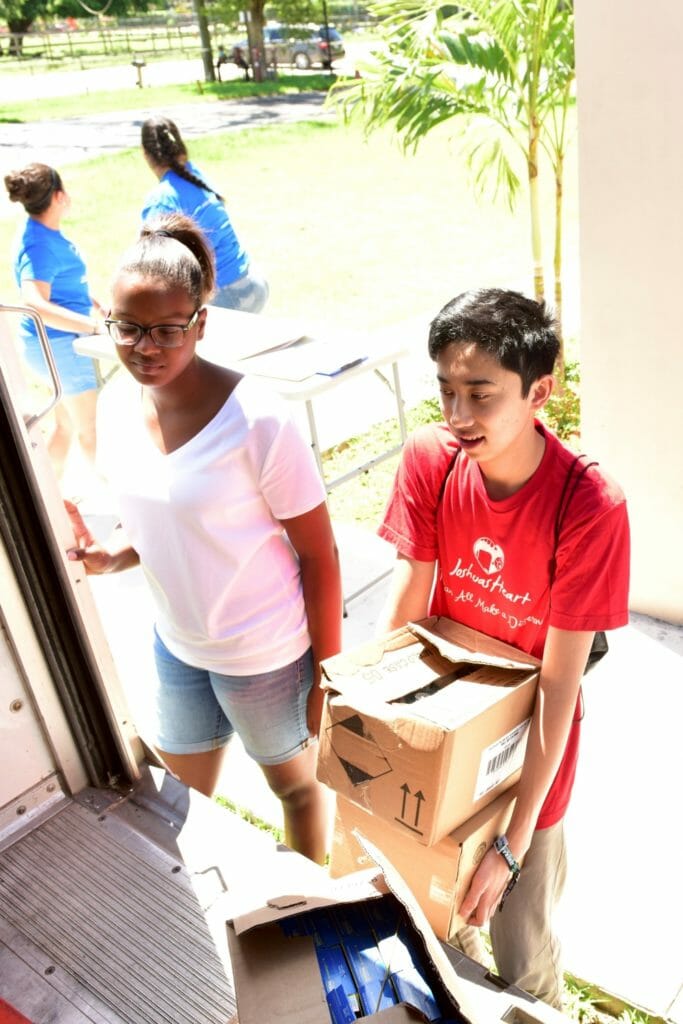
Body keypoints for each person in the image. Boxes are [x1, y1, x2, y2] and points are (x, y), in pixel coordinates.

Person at [376, 288, 630, 1008]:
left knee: (523, 955)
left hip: (530, 760)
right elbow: (408, 611)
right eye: (444, 391)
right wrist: (368, 726)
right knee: (436, 929)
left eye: (479, 395)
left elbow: (557, 686)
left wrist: (512, 844)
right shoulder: (431, 458)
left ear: (538, 391)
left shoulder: (587, 505)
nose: (456, 417)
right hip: (441, 743)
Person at [65, 213, 342, 863]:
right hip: (179, 646)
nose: (145, 347)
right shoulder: (115, 406)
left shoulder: (258, 422)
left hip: (265, 655)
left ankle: (304, 919)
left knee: (296, 791)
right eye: (128, 328)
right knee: (180, 804)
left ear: (201, 323)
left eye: (167, 330)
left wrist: (324, 678)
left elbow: (318, 554)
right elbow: (174, 517)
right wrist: (117, 552)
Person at [5, 163, 105, 483]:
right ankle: (122, 508)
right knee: (92, 430)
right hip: (60, 346)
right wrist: (92, 326)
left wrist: (92, 304)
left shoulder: (41, 232)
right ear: (59, 196)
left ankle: (50, 498)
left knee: (66, 425)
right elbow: (34, 301)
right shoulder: (39, 245)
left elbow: (61, 283)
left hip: (55, 345)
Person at [140, 117, 268, 314]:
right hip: (252, 282)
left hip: (227, 296)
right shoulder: (194, 173)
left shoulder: (161, 201)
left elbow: (154, 268)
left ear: (145, 154)